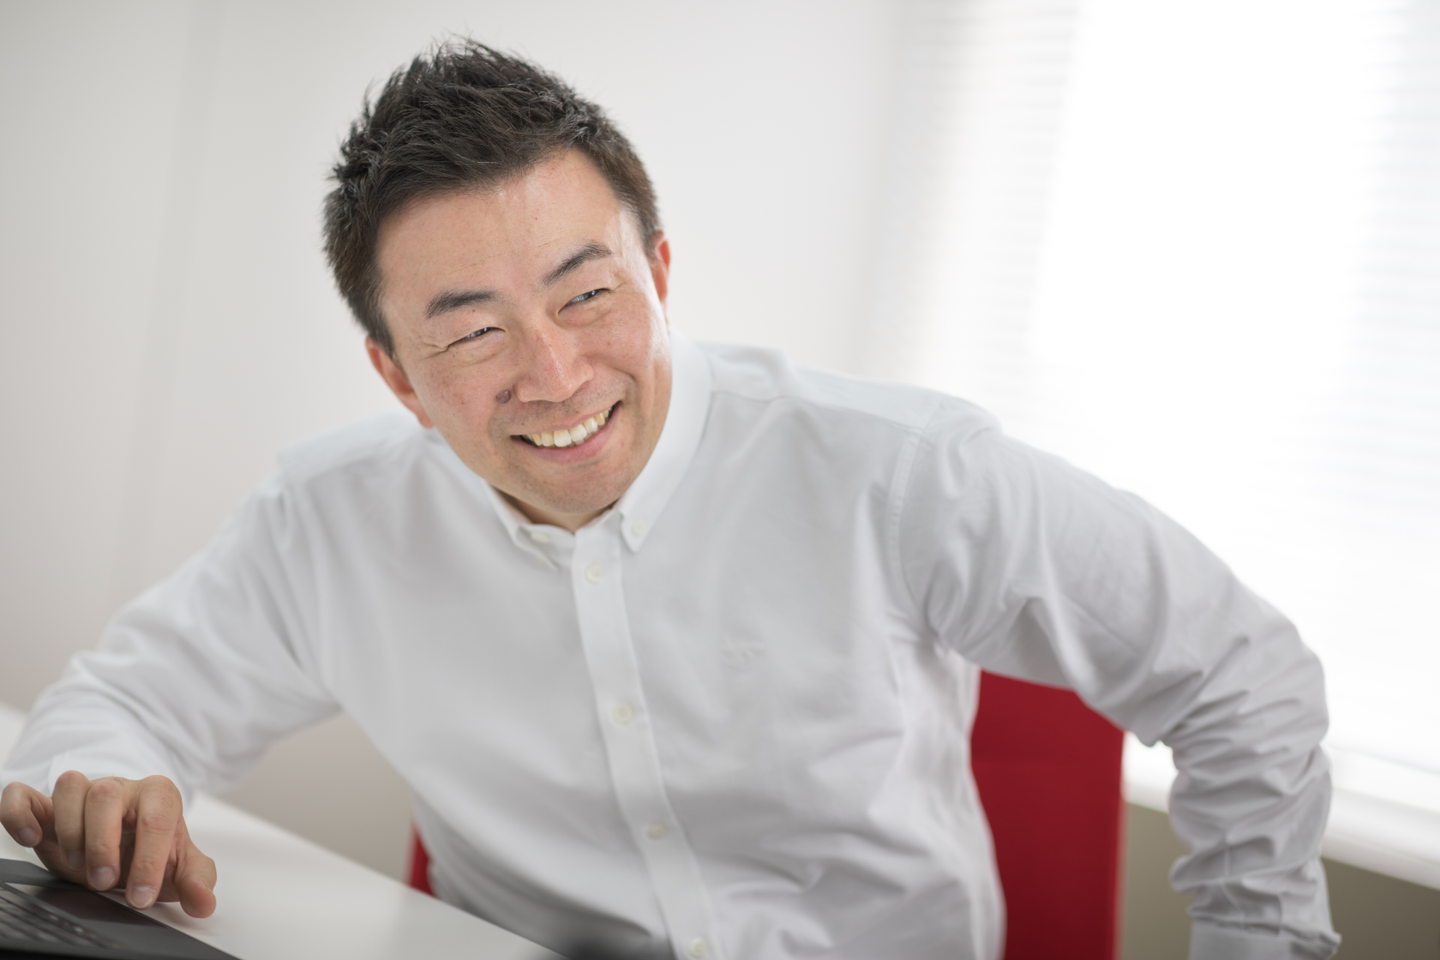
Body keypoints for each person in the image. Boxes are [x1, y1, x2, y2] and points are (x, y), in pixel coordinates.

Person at [1, 41, 1339, 960]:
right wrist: (99, 788)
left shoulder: (898, 470)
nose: (555, 374)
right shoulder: (329, 521)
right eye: (472, 333)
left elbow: (1241, 670)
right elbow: (110, 711)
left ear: (659, 269)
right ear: (396, 374)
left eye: (588, 294)